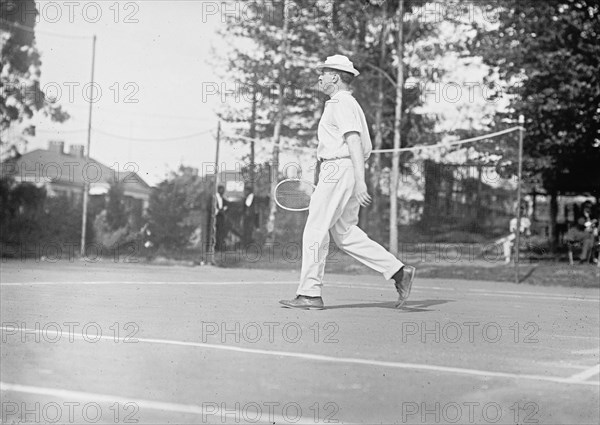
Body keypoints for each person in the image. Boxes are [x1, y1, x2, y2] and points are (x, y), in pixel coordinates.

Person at [279, 54, 416, 310]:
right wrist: (355, 177)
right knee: (345, 233)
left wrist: (360, 181)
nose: (319, 76)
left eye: (324, 72)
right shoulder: (348, 103)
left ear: (335, 77)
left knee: (315, 229)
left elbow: (353, 141)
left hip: (340, 168)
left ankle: (309, 293)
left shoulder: (339, 103)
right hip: (344, 169)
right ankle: (398, 271)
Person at [215, 185, 228, 251]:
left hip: (221, 217)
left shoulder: (223, 198)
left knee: (220, 232)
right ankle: (216, 247)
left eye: (223, 190)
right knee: (216, 232)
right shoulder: (215, 197)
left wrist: (223, 209)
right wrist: (219, 210)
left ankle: (219, 247)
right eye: (221, 190)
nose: (222, 191)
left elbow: (226, 205)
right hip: (215, 216)